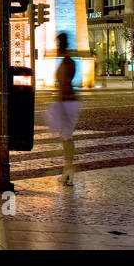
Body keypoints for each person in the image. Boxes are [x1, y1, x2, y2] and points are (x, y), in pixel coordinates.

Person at [48, 32, 81, 186]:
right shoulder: (70, 61)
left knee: (66, 137)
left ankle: (68, 171)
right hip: (70, 101)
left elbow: (64, 85)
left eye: (58, 45)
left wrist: (59, 105)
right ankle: (67, 170)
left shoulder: (66, 63)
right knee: (67, 137)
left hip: (66, 103)